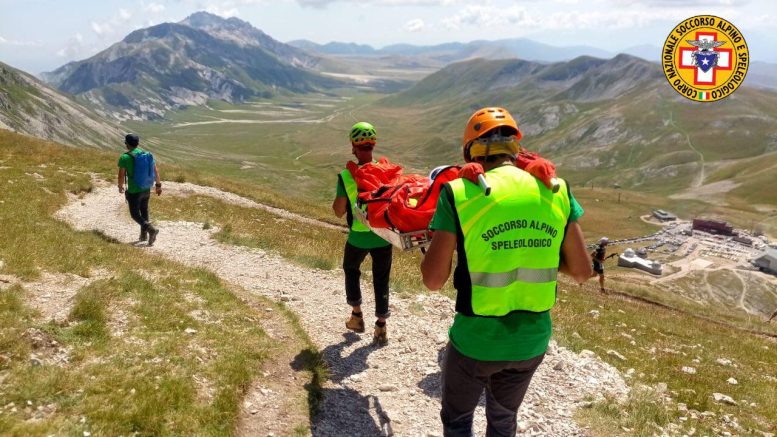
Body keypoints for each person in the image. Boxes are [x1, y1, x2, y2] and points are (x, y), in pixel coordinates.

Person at [420, 107, 592, 436]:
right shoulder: (556, 189)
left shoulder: (459, 193)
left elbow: (433, 280)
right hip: (531, 342)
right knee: (503, 420)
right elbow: (582, 271)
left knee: (457, 421)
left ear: (470, 151)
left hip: (476, 340)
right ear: (516, 148)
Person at [332, 122, 393, 346]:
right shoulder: (385, 171)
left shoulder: (346, 176)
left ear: (353, 147)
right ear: (373, 145)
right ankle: (381, 327)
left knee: (351, 269)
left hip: (358, 236)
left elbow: (339, 211)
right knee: (381, 278)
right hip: (384, 235)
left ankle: (357, 316)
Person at [117, 133, 162, 246]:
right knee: (144, 211)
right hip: (146, 188)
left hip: (134, 190)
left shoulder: (125, 157)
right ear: (138, 143)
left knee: (134, 214)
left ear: (127, 144)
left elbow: (121, 175)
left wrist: (120, 185)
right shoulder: (146, 155)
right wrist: (158, 185)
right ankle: (143, 236)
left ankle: (151, 230)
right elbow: (155, 171)